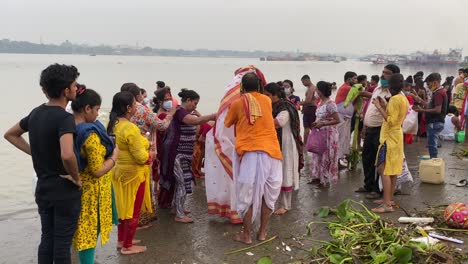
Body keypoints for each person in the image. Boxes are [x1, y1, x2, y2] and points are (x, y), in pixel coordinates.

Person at [4, 64, 82, 264]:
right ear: (65, 90)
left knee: (47, 238)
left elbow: (10, 134)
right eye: (74, 85)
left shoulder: (36, 113)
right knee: (63, 243)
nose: (76, 88)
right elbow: (67, 154)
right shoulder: (65, 118)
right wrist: (76, 177)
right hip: (64, 188)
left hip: (43, 187)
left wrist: (36, 154)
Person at [225, 72, 282, 245]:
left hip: (250, 152)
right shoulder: (266, 100)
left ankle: (247, 235)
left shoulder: (237, 103)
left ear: (242, 87)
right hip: (272, 152)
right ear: (259, 86)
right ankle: (262, 232)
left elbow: (227, 122)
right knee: (268, 195)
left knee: (247, 195)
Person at [205, 65, 267, 225]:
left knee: (238, 181)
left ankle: (240, 216)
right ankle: (250, 220)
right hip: (257, 148)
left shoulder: (234, 100)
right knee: (251, 184)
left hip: (237, 147)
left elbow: (225, 124)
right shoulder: (264, 101)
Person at [71, 87, 119, 264]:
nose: (98, 114)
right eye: (97, 109)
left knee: (82, 231)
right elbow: (97, 170)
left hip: (79, 186)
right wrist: (114, 156)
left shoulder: (69, 125)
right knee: (88, 233)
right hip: (91, 192)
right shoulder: (89, 134)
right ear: (87, 109)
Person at [160, 89, 216, 223]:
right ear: (188, 100)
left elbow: (198, 127)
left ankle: (177, 207)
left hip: (184, 153)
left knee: (181, 181)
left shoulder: (186, 113)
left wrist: (203, 117)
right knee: (181, 183)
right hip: (176, 153)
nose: (195, 106)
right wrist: (212, 115)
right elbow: (193, 122)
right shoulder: (179, 112)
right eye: (195, 103)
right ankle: (179, 215)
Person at [122, 83, 174, 228]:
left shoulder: (118, 109)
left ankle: (125, 218)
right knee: (142, 186)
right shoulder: (140, 108)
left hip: (123, 153)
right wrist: (170, 116)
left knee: (127, 187)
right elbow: (162, 125)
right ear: (137, 96)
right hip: (142, 150)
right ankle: (139, 219)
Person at [107, 91, 153, 255]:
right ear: (128, 108)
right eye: (134, 104)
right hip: (133, 175)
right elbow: (141, 157)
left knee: (122, 208)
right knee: (133, 209)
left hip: (118, 172)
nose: (136, 106)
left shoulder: (113, 124)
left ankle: (122, 240)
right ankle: (127, 245)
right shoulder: (130, 128)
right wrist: (150, 154)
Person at [356, 64, 399, 199]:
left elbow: (392, 116)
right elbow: (370, 107)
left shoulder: (394, 94)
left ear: (394, 76)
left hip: (382, 131)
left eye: (387, 73)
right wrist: (364, 126)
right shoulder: (378, 89)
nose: (383, 75)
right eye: (383, 72)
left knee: (378, 161)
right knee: (366, 158)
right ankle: (368, 185)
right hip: (369, 128)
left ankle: (376, 189)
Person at [371, 73, 409, 213]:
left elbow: (391, 120)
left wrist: (378, 106)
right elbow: (396, 115)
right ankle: (389, 198)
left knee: (383, 169)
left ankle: (387, 204)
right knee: (392, 170)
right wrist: (385, 104)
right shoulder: (403, 98)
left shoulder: (395, 99)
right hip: (397, 136)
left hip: (389, 138)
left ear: (391, 86)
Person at [264, 83, 303, 215]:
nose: (266, 97)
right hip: (275, 143)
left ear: (275, 95)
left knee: (285, 171)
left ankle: (286, 205)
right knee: (274, 172)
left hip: (286, 143)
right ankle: (274, 202)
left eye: (268, 95)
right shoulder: (274, 105)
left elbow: (278, 123)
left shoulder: (285, 106)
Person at [309, 81, 341, 188]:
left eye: (317, 89)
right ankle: (318, 177)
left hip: (329, 135)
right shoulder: (320, 103)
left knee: (327, 156)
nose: (315, 91)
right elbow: (320, 117)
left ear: (321, 91)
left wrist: (323, 123)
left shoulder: (330, 104)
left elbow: (337, 120)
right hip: (320, 133)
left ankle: (325, 180)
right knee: (317, 155)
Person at [413, 73, 448, 158]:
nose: (428, 87)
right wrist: (421, 100)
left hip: (434, 122)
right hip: (437, 121)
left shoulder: (438, 93)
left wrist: (422, 110)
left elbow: (437, 110)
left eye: (429, 84)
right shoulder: (439, 92)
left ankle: (433, 162)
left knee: (432, 145)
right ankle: (433, 161)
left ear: (435, 83)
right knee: (433, 144)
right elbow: (431, 105)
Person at [152, 88, 176, 209]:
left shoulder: (165, 113)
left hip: (165, 147)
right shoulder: (163, 115)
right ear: (160, 102)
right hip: (164, 148)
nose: (169, 101)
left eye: (170, 99)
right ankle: (164, 202)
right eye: (166, 99)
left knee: (166, 174)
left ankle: (166, 200)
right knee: (167, 174)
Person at [335, 71, 357, 168]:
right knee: (340, 138)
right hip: (341, 116)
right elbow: (360, 92)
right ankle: (337, 161)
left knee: (344, 138)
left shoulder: (349, 88)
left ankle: (339, 159)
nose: (356, 81)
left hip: (345, 117)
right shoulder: (347, 88)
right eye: (354, 79)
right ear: (349, 79)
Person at [300, 75, 317, 179]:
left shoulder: (311, 88)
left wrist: (298, 103)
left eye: (303, 82)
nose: (302, 84)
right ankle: (310, 145)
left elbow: (309, 100)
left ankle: (306, 146)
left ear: (307, 80)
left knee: (308, 129)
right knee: (311, 128)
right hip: (309, 109)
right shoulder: (311, 88)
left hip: (311, 109)